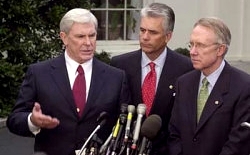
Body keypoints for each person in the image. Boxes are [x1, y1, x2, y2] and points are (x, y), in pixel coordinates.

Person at [7, 8, 131, 155]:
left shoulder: (116, 77)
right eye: (80, 36)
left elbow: (125, 126)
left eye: (92, 35)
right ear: (64, 37)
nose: (88, 43)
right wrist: (32, 121)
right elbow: (14, 119)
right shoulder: (39, 73)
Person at [110, 3, 193, 154]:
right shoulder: (119, 65)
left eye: (153, 32)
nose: (145, 37)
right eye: (142, 30)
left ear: (168, 36)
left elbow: (185, 122)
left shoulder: (186, 68)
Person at [167, 17, 250, 155]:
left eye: (200, 45)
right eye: (191, 44)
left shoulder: (243, 86)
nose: (192, 52)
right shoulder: (183, 83)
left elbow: (239, 142)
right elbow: (174, 132)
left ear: (220, 50)